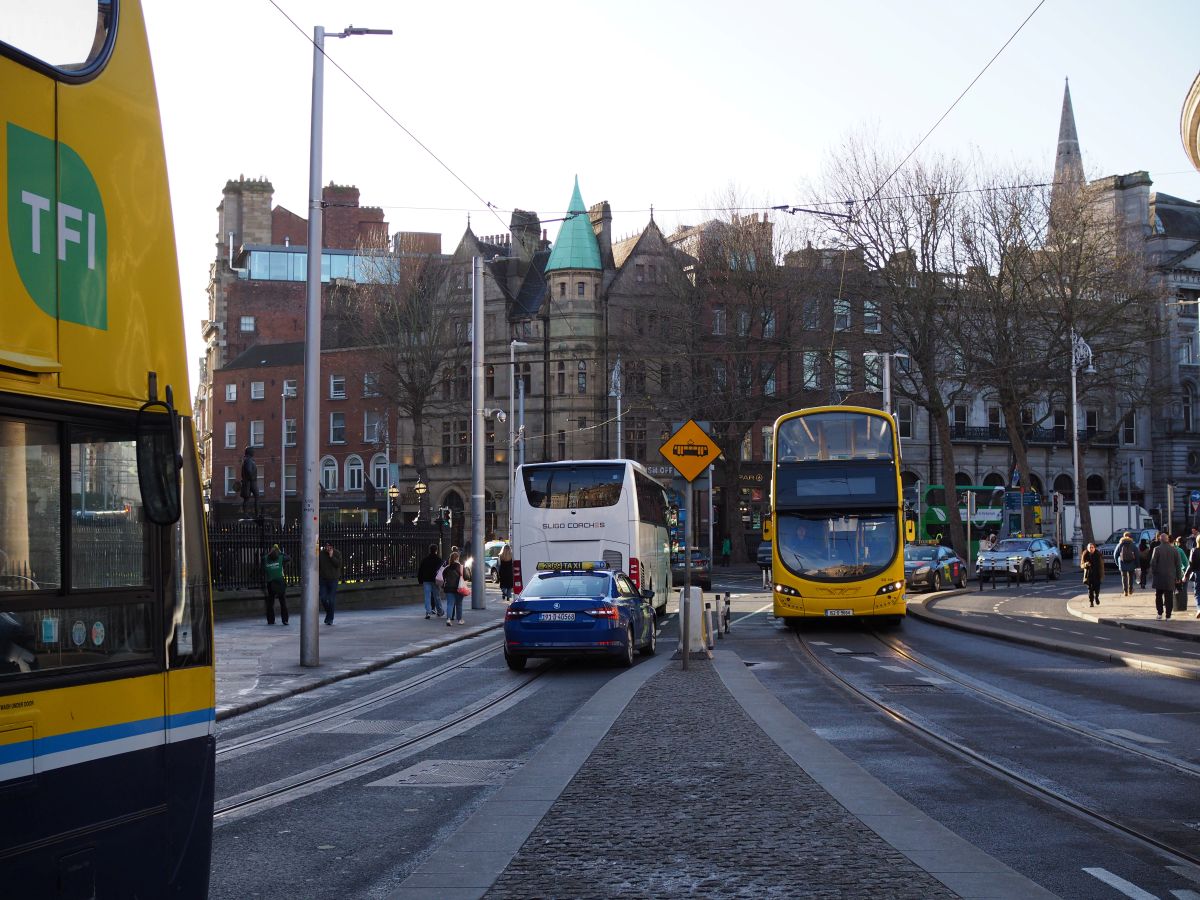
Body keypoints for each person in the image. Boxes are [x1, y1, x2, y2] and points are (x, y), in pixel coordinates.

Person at [1148, 532, 1182, 620]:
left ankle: (1159, 614)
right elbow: (1178, 565)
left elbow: (1153, 563)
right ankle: (1168, 615)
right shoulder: (1174, 550)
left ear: (1160, 539)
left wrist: (1154, 573)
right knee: (1169, 597)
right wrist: (1178, 577)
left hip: (1159, 577)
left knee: (1158, 595)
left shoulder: (1157, 549)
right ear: (1168, 539)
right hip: (1170, 577)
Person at [263, 543, 290, 625]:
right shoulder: (280, 557)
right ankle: (285, 620)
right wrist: (280, 552)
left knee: (270, 602)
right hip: (280, 582)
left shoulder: (265, 559)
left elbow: (263, 560)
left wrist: (269, 553)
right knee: (282, 601)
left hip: (270, 583)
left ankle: (270, 620)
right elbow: (288, 557)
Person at [318, 540, 343, 625]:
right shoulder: (321, 554)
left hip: (333, 579)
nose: (328, 548)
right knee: (323, 598)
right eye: (326, 546)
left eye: (329, 546)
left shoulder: (337, 553)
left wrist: (331, 556)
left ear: (332, 547)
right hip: (323, 579)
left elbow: (338, 564)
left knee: (331, 600)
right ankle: (329, 614)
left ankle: (330, 618)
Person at [417, 543, 444, 619]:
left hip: (426, 580)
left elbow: (420, 570)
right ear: (436, 550)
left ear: (430, 550)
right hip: (435, 580)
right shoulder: (438, 560)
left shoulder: (425, 560)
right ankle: (440, 611)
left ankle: (428, 612)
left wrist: (420, 580)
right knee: (437, 596)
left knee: (427, 597)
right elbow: (441, 571)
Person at [441, 550, 467, 626]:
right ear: (457, 558)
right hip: (459, 588)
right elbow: (466, 577)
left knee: (450, 604)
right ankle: (459, 620)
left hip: (449, 588)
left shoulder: (447, 568)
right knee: (459, 604)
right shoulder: (461, 567)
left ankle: (448, 619)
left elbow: (443, 577)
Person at [1113, 531, 1139, 597]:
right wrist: (1137, 564)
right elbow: (1137, 555)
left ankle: (1125, 591)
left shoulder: (1120, 544)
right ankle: (1130, 589)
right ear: (1130, 537)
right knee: (1130, 577)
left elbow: (1115, 554)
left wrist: (1117, 563)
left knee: (1124, 577)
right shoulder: (1133, 544)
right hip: (1131, 563)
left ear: (1123, 536)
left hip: (1122, 563)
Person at [1080, 541, 1104, 607]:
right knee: (1090, 589)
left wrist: (1101, 576)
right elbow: (1081, 565)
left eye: (1092, 547)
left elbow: (1102, 566)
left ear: (1094, 548)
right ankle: (1091, 602)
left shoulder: (1098, 554)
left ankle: (1096, 597)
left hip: (1097, 574)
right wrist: (1085, 564)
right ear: (1087, 548)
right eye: (1089, 547)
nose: (1091, 549)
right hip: (1089, 575)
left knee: (1097, 589)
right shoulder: (1085, 554)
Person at [240, 447, 259, 517]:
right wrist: (252, 478)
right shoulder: (248, 460)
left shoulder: (248, 460)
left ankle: (249, 514)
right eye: (253, 451)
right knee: (254, 497)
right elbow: (248, 470)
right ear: (250, 452)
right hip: (250, 482)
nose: (254, 453)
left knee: (247, 498)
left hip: (249, 481)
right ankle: (255, 514)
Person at [1184, 538, 1200, 614]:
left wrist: (1186, 575)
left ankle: (1199, 608)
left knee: (1197, 592)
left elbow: (1190, 565)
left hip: (1197, 573)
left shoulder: (1194, 550)